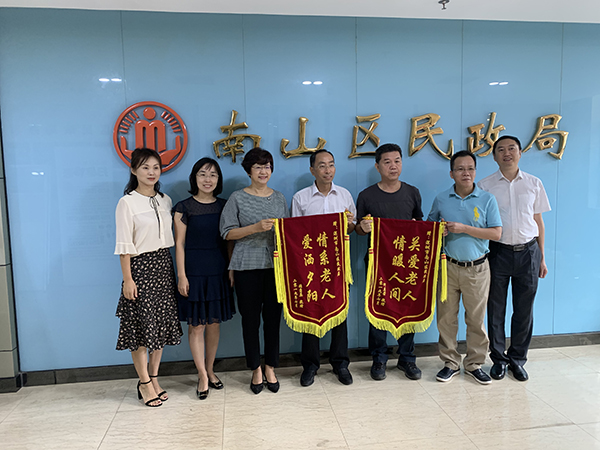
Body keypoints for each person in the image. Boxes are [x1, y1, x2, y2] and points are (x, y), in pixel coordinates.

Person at [478, 136, 551, 382]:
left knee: (524, 310)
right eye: (501, 150)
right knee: (495, 309)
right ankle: (499, 360)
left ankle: (518, 359)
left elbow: (538, 221)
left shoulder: (534, 183)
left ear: (520, 153)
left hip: (529, 252)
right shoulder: (485, 186)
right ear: (494, 156)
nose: (506, 153)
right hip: (497, 252)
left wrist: (541, 257)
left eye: (511, 149)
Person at [114, 148, 183, 407]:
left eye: (155, 167)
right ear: (134, 170)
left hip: (163, 265)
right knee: (141, 329)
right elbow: (124, 245)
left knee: (160, 327)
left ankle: (154, 378)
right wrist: (128, 279)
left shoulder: (165, 200)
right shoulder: (127, 202)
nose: (151, 172)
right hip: (140, 268)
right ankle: (143, 382)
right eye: (145, 167)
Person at [427, 150, 502, 384]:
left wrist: (464, 228)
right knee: (446, 319)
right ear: (452, 174)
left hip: (477, 268)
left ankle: (474, 364)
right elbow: (429, 229)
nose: (465, 173)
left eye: (470, 168)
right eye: (460, 169)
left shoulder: (487, 199)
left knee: (476, 319)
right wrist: (440, 231)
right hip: (447, 267)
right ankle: (450, 363)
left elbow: (496, 233)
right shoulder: (441, 199)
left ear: (475, 172)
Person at [219, 147, 288, 394]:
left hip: (275, 267)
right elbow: (227, 232)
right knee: (250, 320)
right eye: (258, 167)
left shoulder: (279, 198)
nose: (263, 171)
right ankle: (255, 369)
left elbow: (287, 233)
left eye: (267, 166)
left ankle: (270, 367)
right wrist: (255, 228)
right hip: (246, 266)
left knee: (273, 319)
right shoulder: (237, 198)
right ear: (249, 170)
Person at [355, 143, 424, 381]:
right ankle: (379, 358)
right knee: (378, 308)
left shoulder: (412, 192)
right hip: (378, 264)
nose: (393, 166)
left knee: (408, 307)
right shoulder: (366, 196)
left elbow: (419, 225)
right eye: (387, 162)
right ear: (377, 166)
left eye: (397, 161)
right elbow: (358, 229)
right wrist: (363, 227)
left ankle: (407, 358)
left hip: (407, 263)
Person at [291, 149, 356, 387]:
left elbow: (352, 228)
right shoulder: (301, 198)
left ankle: (341, 364)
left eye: (331, 165)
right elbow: (295, 234)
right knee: (311, 313)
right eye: (322, 165)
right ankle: (310, 365)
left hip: (338, 265)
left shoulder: (345, 195)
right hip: (311, 266)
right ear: (312, 170)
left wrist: (348, 225)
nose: (327, 170)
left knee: (340, 313)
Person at [173, 157, 235, 400]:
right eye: (202, 174)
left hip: (218, 269)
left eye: (212, 175)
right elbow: (179, 244)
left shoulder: (225, 205)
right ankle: (201, 375)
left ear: (218, 179)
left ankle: (210, 370)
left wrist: (231, 269)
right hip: (193, 272)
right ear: (194, 178)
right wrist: (181, 275)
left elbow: (229, 240)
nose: (207, 179)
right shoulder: (183, 207)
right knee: (196, 325)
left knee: (214, 323)